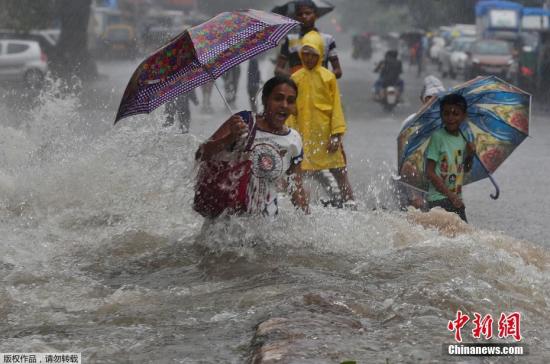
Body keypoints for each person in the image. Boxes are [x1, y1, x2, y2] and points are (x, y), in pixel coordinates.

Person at [195, 76, 308, 217]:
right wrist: (230, 138)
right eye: (278, 98)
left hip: (266, 227)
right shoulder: (243, 122)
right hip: (225, 224)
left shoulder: (294, 140)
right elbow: (201, 153)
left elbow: (296, 188)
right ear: (265, 100)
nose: (284, 105)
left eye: (290, 101)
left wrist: (309, 223)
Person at [289, 33, 355, 207]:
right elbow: (291, 111)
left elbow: (336, 108)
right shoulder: (295, 79)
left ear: (320, 55)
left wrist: (336, 135)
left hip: (326, 136)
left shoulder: (328, 77)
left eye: (313, 55)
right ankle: (300, 208)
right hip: (303, 135)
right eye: (305, 54)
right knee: (297, 174)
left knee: (340, 172)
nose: (309, 59)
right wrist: (290, 136)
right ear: (300, 55)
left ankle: (351, 206)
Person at [397, 75, 446, 209]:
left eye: (438, 99)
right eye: (430, 99)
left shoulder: (450, 123)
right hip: (413, 177)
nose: (434, 104)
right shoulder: (410, 124)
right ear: (422, 100)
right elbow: (403, 163)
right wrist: (413, 195)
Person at [425, 93, 475, 222]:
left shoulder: (464, 138)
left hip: (455, 199)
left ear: (464, 116)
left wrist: (470, 154)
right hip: (438, 199)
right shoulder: (438, 137)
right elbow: (429, 172)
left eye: (455, 114)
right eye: (446, 113)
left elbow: (466, 168)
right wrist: (451, 196)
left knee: (465, 237)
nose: (450, 118)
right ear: (441, 115)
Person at [274, 0, 343, 79]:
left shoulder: (328, 40)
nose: (304, 16)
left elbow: (338, 71)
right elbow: (278, 70)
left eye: (308, 13)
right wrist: (294, 78)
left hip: (320, 89)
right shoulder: (290, 40)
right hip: (296, 88)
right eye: (300, 14)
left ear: (316, 15)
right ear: (296, 18)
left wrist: (323, 78)